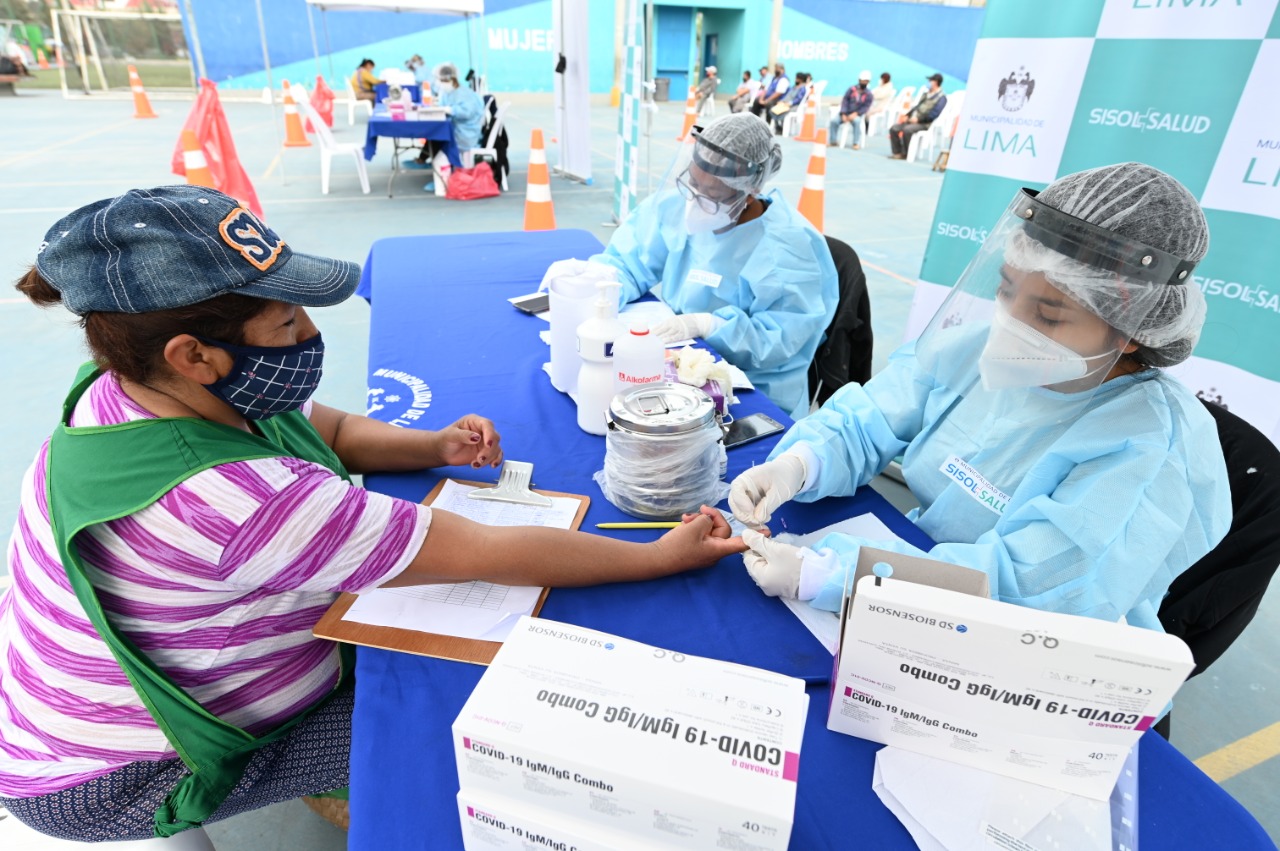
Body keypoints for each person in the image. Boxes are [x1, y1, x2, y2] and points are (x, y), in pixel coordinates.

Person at [0, 186, 745, 842]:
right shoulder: (245, 503)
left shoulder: (132, 386)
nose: (308, 339)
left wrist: (433, 444)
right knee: (446, 719)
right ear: (196, 354)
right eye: (288, 324)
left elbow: (319, 426)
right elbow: (487, 553)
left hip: (62, 718)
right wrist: (661, 555)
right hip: (109, 778)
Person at [728, 163, 1231, 634]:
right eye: (1007, 291)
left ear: (1131, 330)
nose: (1013, 324)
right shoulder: (973, 350)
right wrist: (801, 463)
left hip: (1032, 654)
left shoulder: (1148, 446)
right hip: (919, 565)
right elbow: (872, 417)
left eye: (1050, 315)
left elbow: (1030, 589)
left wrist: (838, 577)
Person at [588, 113, 838, 420]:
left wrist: (708, 326)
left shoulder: (789, 251)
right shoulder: (673, 208)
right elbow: (628, 260)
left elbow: (778, 341)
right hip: (678, 368)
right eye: (694, 183)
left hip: (752, 392)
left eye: (715, 195)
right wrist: (601, 285)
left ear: (750, 192)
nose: (697, 201)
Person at [408, 62, 484, 190]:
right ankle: (438, 171)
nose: (437, 83)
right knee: (434, 135)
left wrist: (449, 109)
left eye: (439, 80)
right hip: (456, 128)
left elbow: (467, 112)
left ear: (447, 79)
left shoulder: (464, 93)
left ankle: (443, 177)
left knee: (437, 137)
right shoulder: (448, 92)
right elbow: (446, 105)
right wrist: (439, 106)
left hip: (465, 133)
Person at [889, 73, 946, 160]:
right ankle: (897, 152)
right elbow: (917, 107)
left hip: (924, 124)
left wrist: (918, 119)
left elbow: (934, 114)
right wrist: (908, 115)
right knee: (894, 128)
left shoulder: (941, 98)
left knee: (907, 130)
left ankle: (906, 153)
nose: (929, 82)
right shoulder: (926, 94)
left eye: (930, 80)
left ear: (936, 82)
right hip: (912, 120)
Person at [829, 70, 874, 149]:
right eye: (862, 80)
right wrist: (843, 113)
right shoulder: (851, 90)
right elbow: (845, 101)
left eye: (866, 81)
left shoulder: (869, 94)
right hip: (845, 113)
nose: (864, 82)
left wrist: (856, 114)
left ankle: (855, 143)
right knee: (834, 121)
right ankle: (833, 141)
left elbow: (866, 107)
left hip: (857, 115)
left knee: (857, 122)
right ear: (859, 80)